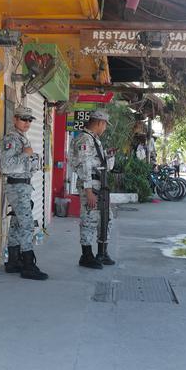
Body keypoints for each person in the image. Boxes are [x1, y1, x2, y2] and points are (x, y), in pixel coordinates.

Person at [0, 105, 47, 280]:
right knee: (26, 225)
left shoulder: (21, 139)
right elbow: (5, 166)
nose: (27, 123)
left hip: (23, 186)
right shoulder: (11, 139)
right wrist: (26, 155)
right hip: (16, 186)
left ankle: (13, 261)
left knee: (17, 224)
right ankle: (28, 264)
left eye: (29, 120)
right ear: (15, 119)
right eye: (23, 119)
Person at [70, 110, 115, 269]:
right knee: (89, 220)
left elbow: (99, 164)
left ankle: (102, 252)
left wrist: (108, 157)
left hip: (100, 185)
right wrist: (88, 190)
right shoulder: (84, 139)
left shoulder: (94, 140)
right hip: (91, 186)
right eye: (104, 125)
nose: (105, 128)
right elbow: (84, 166)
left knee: (105, 218)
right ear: (99, 123)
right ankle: (86, 255)